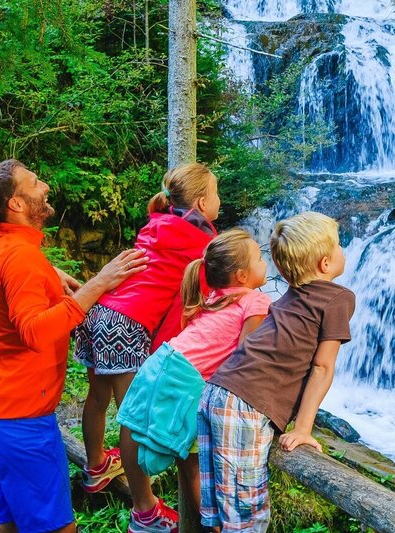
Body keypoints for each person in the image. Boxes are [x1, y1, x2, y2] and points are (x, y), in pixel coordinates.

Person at [0, 159, 148, 533]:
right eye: (35, 182)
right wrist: (98, 283)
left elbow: (11, 283)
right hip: (22, 421)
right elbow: (34, 331)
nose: (45, 185)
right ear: (16, 203)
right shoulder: (20, 257)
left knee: (4, 523)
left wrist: (50, 276)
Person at [73, 163, 219, 530]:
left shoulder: (157, 223)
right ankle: (144, 510)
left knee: (97, 396)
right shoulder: (201, 244)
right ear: (203, 203)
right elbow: (186, 304)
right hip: (128, 324)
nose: (220, 200)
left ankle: (96, 464)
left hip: (100, 311)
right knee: (135, 420)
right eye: (216, 194)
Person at [198, 212, 356, 531]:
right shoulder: (338, 298)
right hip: (243, 407)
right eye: (339, 245)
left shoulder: (290, 296)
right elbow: (322, 366)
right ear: (325, 263)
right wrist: (303, 429)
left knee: (219, 512)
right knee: (246, 520)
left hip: (216, 393)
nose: (343, 250)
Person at [116, 229, 271, 523]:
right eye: (260, 259)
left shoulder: (215, 296)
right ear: (241, 275)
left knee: (147, 434)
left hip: (163, 361)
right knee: (195, 463)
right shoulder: (255, 301)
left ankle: (151, 512)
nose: (265, 263)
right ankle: (216, 525)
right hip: (186, 378)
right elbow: (246, 357)